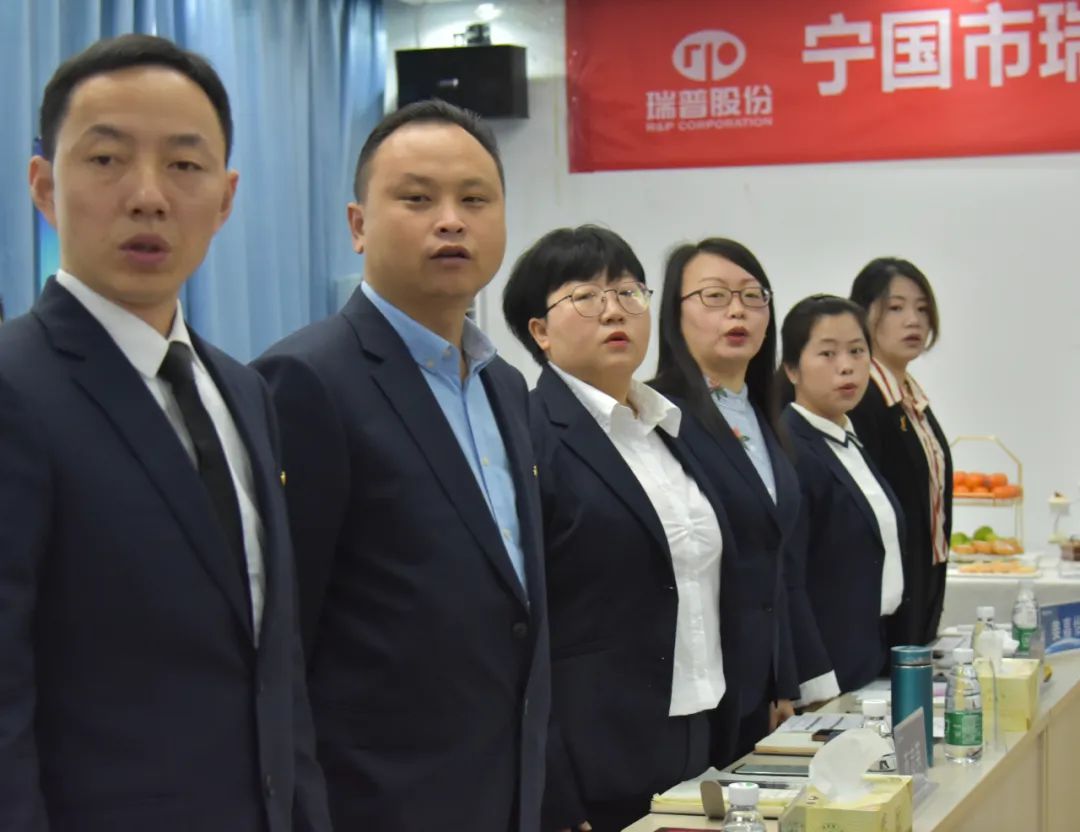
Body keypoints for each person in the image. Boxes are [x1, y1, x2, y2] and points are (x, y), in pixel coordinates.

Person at [0, 34, 329, 832]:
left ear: (226, 197)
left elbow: (274, 666)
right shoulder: (15, 388)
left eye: (185, 164)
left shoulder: (243, 390)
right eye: (106, 160)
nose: (148, 196)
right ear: (44, 186)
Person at [253, 100, 549, 832]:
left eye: (474, 200)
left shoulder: (506, 385)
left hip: (505, 791)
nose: (451, 221)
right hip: (375, 797)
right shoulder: (307, 379)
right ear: (358, 225)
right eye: (417, 199)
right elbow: (283, 641)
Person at [502, 226, 741, 832]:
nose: (614, 310)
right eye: (586, 296)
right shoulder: (528, 436)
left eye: (629, 292)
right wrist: (551, 784)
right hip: (593, 759)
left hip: (700, 730)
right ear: (540, 332)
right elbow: (517, 628)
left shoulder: (671, 427)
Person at [650, 238, 819, 752]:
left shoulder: (763, 415)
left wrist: (782, 679)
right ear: (674, 313)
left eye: (752, 296)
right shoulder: (658, 415)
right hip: (693, 685)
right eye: (715, 296)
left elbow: (776, 562)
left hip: (755, 685)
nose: (737, 311)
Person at [777, 295, 906, 693]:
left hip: (868, 654)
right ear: (792, 368)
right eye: (827, 353)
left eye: (857, 351)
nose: (846, 366)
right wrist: (813, 682)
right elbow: (788, 580)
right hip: (827, 671)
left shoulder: (847, 439)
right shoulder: (791, 450)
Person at [849, 258, 952, 647]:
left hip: (924, 579)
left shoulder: (910, 396)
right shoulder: (862, 398)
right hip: (884, 599)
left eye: (922, 309)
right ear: (862, 313)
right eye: (895, 308)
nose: (914, 320)